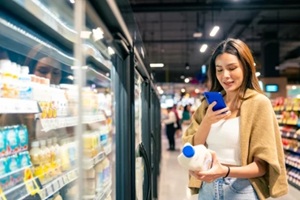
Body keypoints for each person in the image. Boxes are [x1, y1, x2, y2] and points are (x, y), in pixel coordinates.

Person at [182, 38, 288, 200]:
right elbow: (194, 146)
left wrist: (225, 171)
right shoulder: (208, 105)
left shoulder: (258, 104)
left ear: (245, 67)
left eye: (232, 68)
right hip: (207, 188)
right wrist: (207, 121)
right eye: (219, 70)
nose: (225, 76)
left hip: (241, 189)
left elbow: (262, 166)